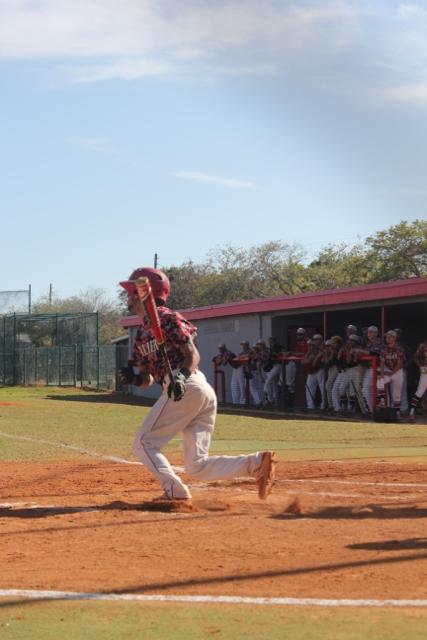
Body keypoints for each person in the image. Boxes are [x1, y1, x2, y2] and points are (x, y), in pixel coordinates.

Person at [119, 267, 276, 502]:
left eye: (132, 291)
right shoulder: (141, 334)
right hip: (185, 390)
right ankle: (255, 463)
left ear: (145, 293)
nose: (128, 297)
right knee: (197, 466)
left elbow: (192, 354)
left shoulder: (168, 318)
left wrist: (180, 376)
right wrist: (135, 378)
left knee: (144, 443)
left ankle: (175, 492)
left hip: (189, 385)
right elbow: (147, 379)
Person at [377, 330, 406, 418]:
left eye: (389, 337)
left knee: (396, 394)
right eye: (386, 337)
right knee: (379, 381)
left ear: (394, 338)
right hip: (388, 370)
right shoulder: (384, 348)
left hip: (397, 372)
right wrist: (382, 373)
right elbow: (382, 362)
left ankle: (397, 412)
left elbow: (400, 363)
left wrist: (392, 373)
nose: (387, 338)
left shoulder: (399, 348)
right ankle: (382, 401)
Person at [361, 326, 382, 413]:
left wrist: (362, 351)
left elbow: (376, 354)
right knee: (366, 389)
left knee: (382, 391)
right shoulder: (368, 344)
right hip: (370, 368)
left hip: (380, 368)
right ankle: (371, 410)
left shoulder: (380, 343)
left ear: (376, 333)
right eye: (368, 332)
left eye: (371, 332)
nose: (369, 334)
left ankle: (394, 411)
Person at [303, 334, 326, 410]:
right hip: (311, 372)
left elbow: (312, 361)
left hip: (320, 370)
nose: (310, 346)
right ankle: (310, 407)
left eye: (317, 339)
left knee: (323, 388)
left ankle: (324, 406)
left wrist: (313, 358)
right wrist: (309, 357)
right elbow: (303, 361)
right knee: (309, 388)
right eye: (314, 340)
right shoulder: (309, 352)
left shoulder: (323, 349)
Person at [408, 340, 427, 423]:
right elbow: (415, 357)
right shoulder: (423, 345)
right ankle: (411, 412)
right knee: (419, 392)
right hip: (426, 370)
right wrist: (420, 366)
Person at [263, 336, 283, 407]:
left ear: (274, 341)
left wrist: (271, 355)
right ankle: (276, 402)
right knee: (274, 384)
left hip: (278, 365)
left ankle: (270, 400)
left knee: (268, 382)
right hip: (273, 366)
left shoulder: (277, 347)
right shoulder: (270, 349)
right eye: (269, 342)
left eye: (271, 341)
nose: (270, 343)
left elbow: (279, 354)